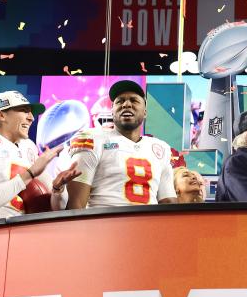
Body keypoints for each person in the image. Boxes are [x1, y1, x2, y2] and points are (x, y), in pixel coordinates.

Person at [0, 91, 77, 223]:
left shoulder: (28, 147)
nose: (31, 118)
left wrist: (58, 188)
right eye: (23, 111)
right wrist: (30, 173)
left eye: (31, 113)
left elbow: (58, 208)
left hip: (19, 234)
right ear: (1, 115)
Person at [66, 80, 177, 208]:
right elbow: (76, 204)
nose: (126, 104)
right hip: (105, 224)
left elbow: (168, 203)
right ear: (112, 111)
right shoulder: (93, 139)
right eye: (120, 101)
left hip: (147, 224)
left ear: (145, 112)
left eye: (134, 100)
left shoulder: (160, 148)